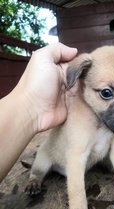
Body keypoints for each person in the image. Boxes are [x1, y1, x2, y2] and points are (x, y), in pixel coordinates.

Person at [0, 43, 78, 182]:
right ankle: (35, 178)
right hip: (56, 156)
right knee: (43, 155)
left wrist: (33, 107)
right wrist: (33, 104)